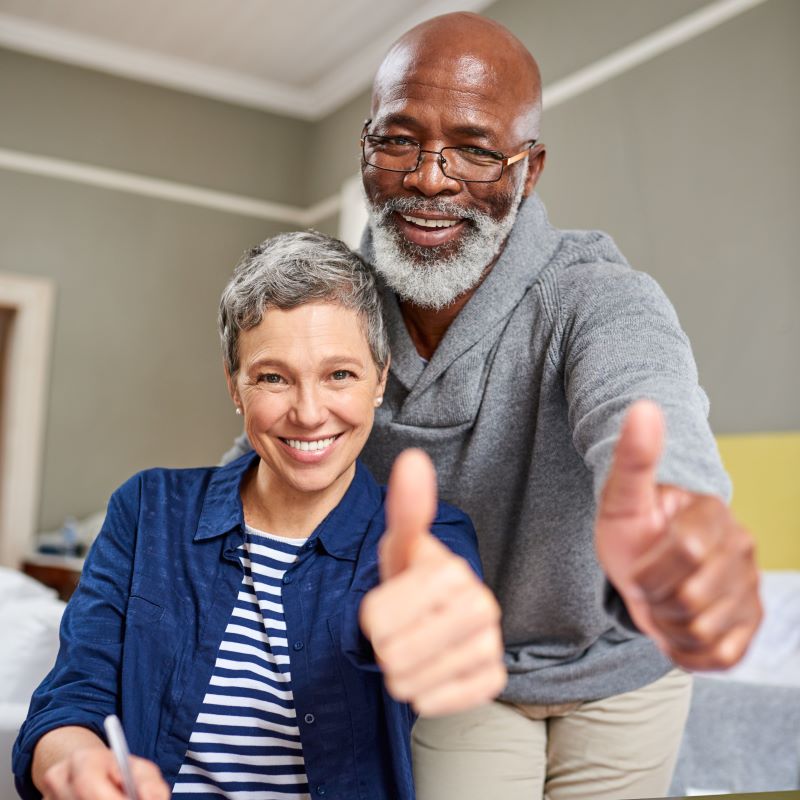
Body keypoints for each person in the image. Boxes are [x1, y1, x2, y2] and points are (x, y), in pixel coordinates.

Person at [221, 12, 764, 800]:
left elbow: (646, 405)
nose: (431, 179)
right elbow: (257, 463)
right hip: (460, 666)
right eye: (399, 140)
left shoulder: (596, 299)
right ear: (366, 147)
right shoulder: (334, 304)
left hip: (624, 664)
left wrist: (675, 519)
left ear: (528, 169)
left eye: (475, 150)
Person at [12, 231, 503, 800]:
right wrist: (73, 760)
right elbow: (74, 696)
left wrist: (429, 633)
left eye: (339, 374)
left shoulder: (429, 537)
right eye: (273, 377)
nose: (309, 412)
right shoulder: (147, 510)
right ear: (235, 387)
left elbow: (434, 616)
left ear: (379, 379)